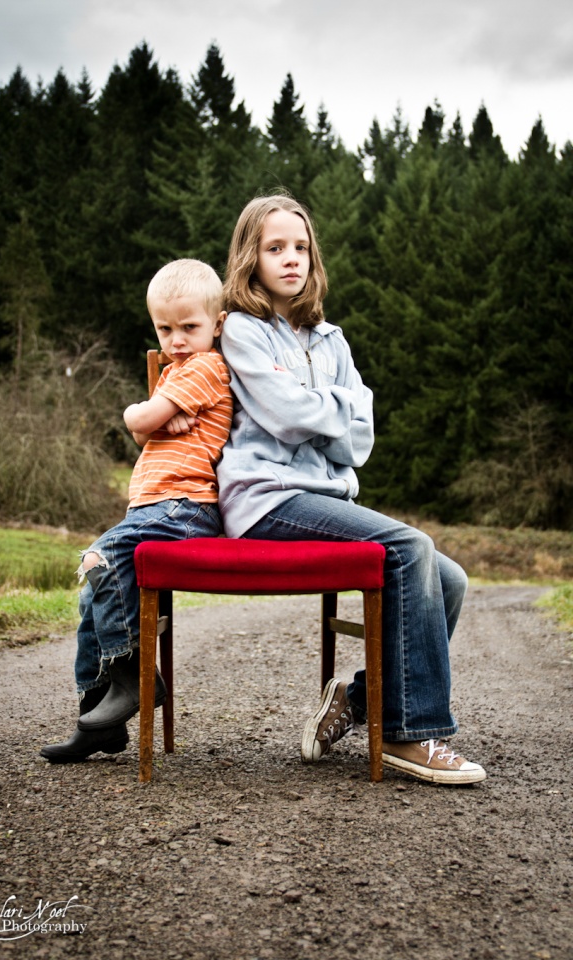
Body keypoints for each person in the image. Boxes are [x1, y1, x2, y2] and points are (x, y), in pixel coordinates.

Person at [217, 194, 486, 785]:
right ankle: (410, 735)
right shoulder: (242, 330)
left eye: (302, 248)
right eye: (275, 248)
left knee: (449, 578)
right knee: (409, 546)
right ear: (250, 258)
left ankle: (363, 700)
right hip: (269, 500)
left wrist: (319, 410)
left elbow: (359, 438)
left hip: (326, 500)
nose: (292, 260)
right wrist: (332, 408)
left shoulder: (331, 339)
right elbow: (286, 417)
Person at [41, 259, 232, 763]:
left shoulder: (205, 368)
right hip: (155, 509)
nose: (177, 340)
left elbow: (141, 421)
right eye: (165, 329)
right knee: (92, 598)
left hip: (185, 507)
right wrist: (153, 420)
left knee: (97, 559)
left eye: (190, 327)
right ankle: (97, 712)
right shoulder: (178, 372)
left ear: (218, 324)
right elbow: (152, 427)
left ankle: (136, 679)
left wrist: (139, 414)